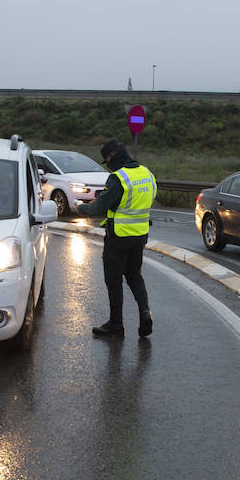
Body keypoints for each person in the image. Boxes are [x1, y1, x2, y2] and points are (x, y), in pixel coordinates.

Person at [78, 139, 157, 338]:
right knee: (134, 275)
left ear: (112, 156)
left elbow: (98, 208)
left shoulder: (118, 178)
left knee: (113, 280)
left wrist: (80, 207)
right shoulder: (147, 174)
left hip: (118, 238)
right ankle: (145, 312)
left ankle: (116, 325)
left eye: (107, 160)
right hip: (140, 236)